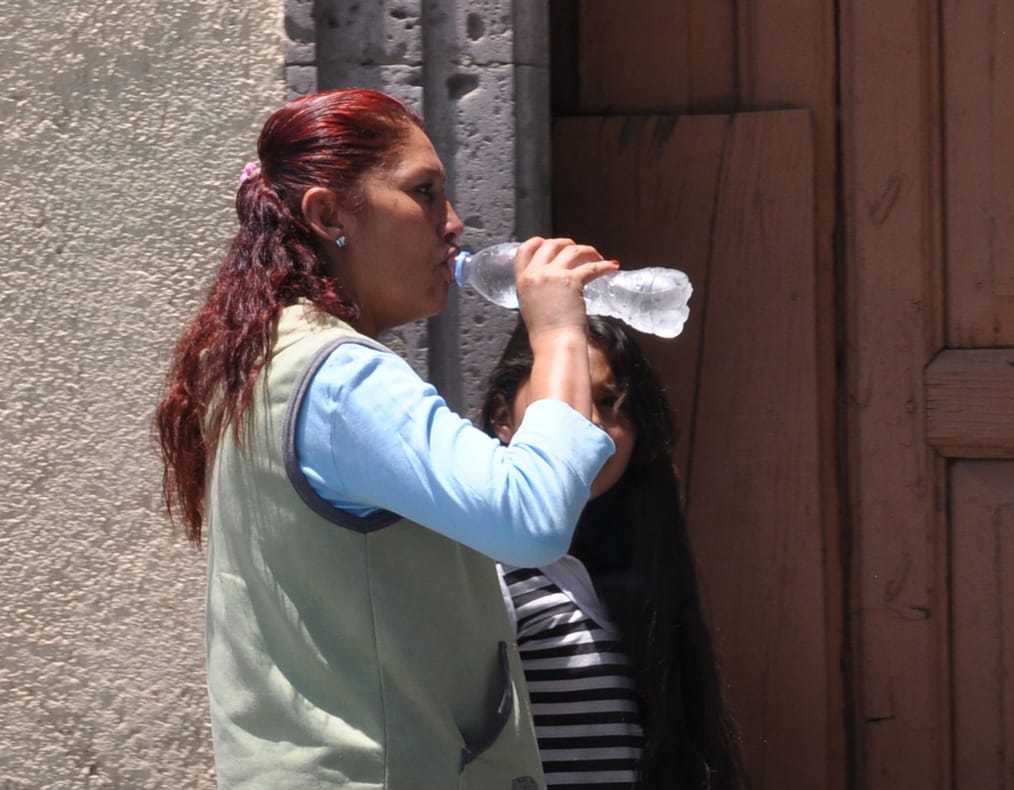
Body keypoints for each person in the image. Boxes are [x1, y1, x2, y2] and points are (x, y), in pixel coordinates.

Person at [154, 88, 620, 789]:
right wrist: (556, 332)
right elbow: (531, 517)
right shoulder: (341, 377)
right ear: (328, 215)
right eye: (424, 193)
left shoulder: (266, 359)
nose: (454, 224)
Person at [481, 316, 749, 790]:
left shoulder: (634, 568)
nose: (592, 428)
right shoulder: (486, 568)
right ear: (503, 416)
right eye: (567, 402)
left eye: (610, 403)